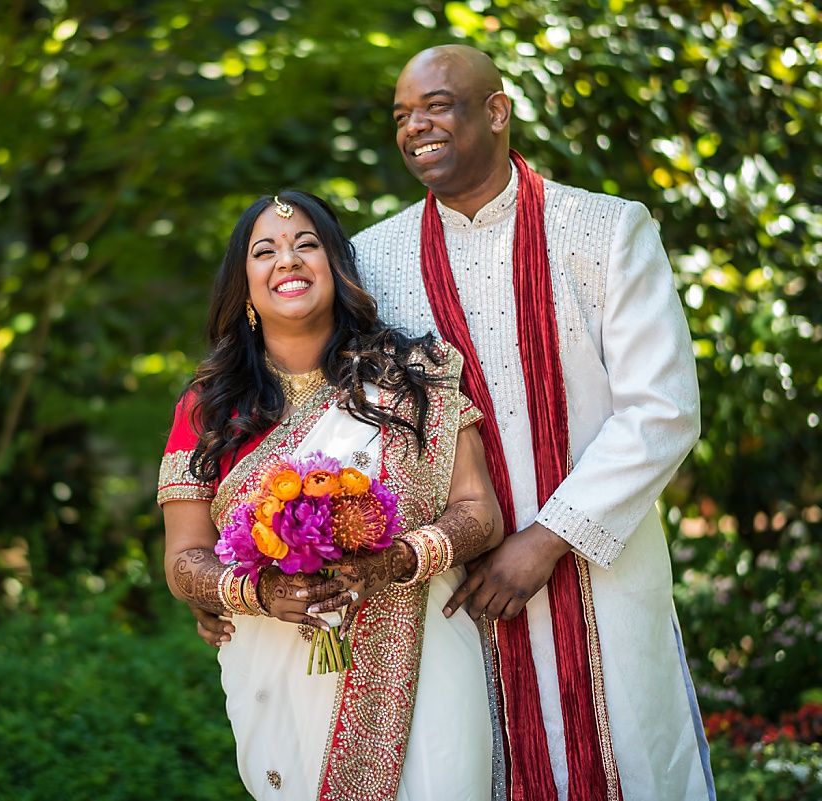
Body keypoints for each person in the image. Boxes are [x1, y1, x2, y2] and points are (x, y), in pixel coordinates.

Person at [193, 45, 715, 800]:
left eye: (436, 106)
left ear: (497, 111)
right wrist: (236, 578)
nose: (415, 127)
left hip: (601, 566)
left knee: (629, 757)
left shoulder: (605, 231)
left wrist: (546, 537)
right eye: (403, 115)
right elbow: (305, 405)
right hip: (442, 589)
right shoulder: (374, 257)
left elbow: (663, 409)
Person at [158, 190, 505, 801]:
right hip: (276, 659)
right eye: (264, 251)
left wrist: (398, 559)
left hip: (421, 656)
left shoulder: (412, 373)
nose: (287, 260)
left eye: (306, 245)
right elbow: (184, 557)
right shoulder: (208, 408)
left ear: (336, 266)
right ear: (244, 289)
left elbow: (480, 513)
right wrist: (256, 591)